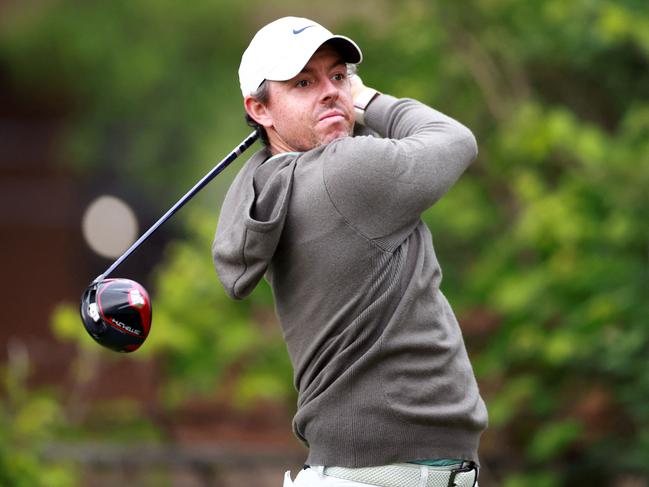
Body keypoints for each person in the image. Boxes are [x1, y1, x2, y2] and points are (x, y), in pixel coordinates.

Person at [212, 16, 488, 487]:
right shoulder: (346, 173)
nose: (331, 91)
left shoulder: (273, 184)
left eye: (338, 76)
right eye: (303, 82)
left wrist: (332, 102)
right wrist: (367, 99)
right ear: (260, 109)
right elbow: (455, 140)